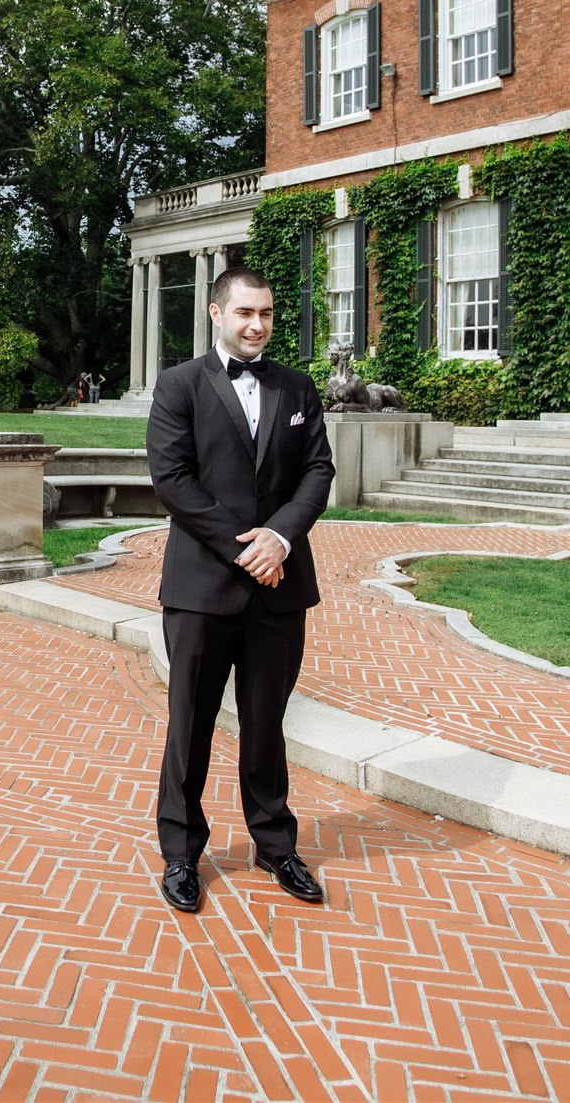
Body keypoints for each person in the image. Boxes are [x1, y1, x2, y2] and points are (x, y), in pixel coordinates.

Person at [145, 267, 334, 914]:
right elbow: (173, 479)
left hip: (279, 587)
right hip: (202, 588)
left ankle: (275, 844)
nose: (257, 324)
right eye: (245, 312)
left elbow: (318, 470)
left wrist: (279, 537)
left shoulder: (297, 386)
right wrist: (248, 549)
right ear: (216, 312)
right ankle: (180, 852)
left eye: (267, 313)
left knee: (266, 725)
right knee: (190, 725)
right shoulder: (178, 385)